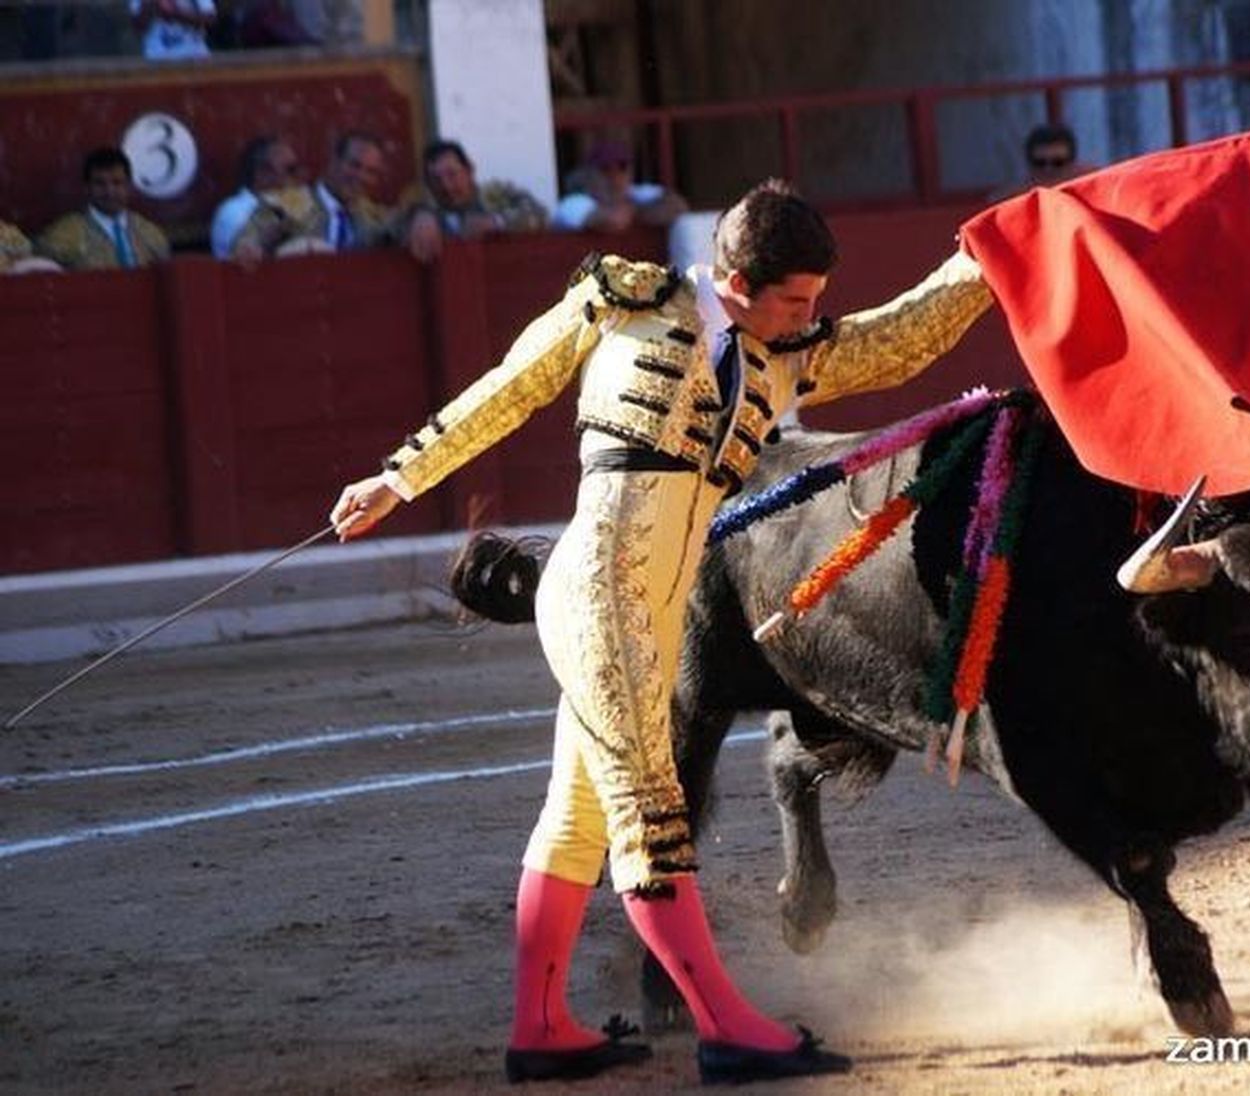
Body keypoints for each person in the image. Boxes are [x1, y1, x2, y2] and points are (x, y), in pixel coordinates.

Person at [327, 178, 994, 1084]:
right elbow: (514, 385)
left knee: (579, 818)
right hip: (601, 596)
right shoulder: (627, 302)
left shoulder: (778, 351)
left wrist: (986, 261)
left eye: (815, 301)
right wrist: (399, 478)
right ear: (733, 281)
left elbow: (893, 344)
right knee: (652, 815)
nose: (811, 317)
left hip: (649, 606)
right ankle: (726, 1026)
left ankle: (542, 1028)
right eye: (794, 300)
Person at [231, 131, 395, 265]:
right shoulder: (293, 201)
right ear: (334, 162)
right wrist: (249, 245)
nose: (361, 176)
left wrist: (419, 219)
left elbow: (402, 224)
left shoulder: (373, 216)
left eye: (371, 172)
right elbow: (254, 231)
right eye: (354, 165)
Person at [403, 139, 549, 264]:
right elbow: (385, 232)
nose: (446, 186)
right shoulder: (423, 210)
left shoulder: (496, 196)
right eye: (436, 179)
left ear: (469, 171)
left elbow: (541, 214)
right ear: (428, 183)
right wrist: (417, 217)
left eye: (452, 175)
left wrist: (496, 222)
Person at [35, 147, 171, 271]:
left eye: (117, 183)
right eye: (100, 184)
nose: (109, 192)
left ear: (128, 186)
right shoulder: (62, 236)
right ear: (87, 188)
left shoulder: (151, 235)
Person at [551, 139, 688, 233]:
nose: (615, 175)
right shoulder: (573, 203)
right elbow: (614, 221)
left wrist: (633, 210)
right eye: (605, 169)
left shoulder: (636, 192)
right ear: (589, 174)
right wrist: (641, 211)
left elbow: (678, 205)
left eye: (622, 167)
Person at [210, 135, 301, 259]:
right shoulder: (234, 211)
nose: (298, 176)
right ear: (262, 173)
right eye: (291, 170)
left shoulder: (292, 202)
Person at [988, 122, 1093, 202]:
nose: (1048, 169)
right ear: (1029, 163)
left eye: (1058, 162)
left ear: (1072, 162)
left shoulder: (1091, 190)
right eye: (1040, 162)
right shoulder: (1013, 199)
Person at [129, 0, 216, 60]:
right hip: (156, 60)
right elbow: (137, 28)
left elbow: (210, 20)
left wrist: (176, 13)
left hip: (195, 57)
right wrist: (152, 5)